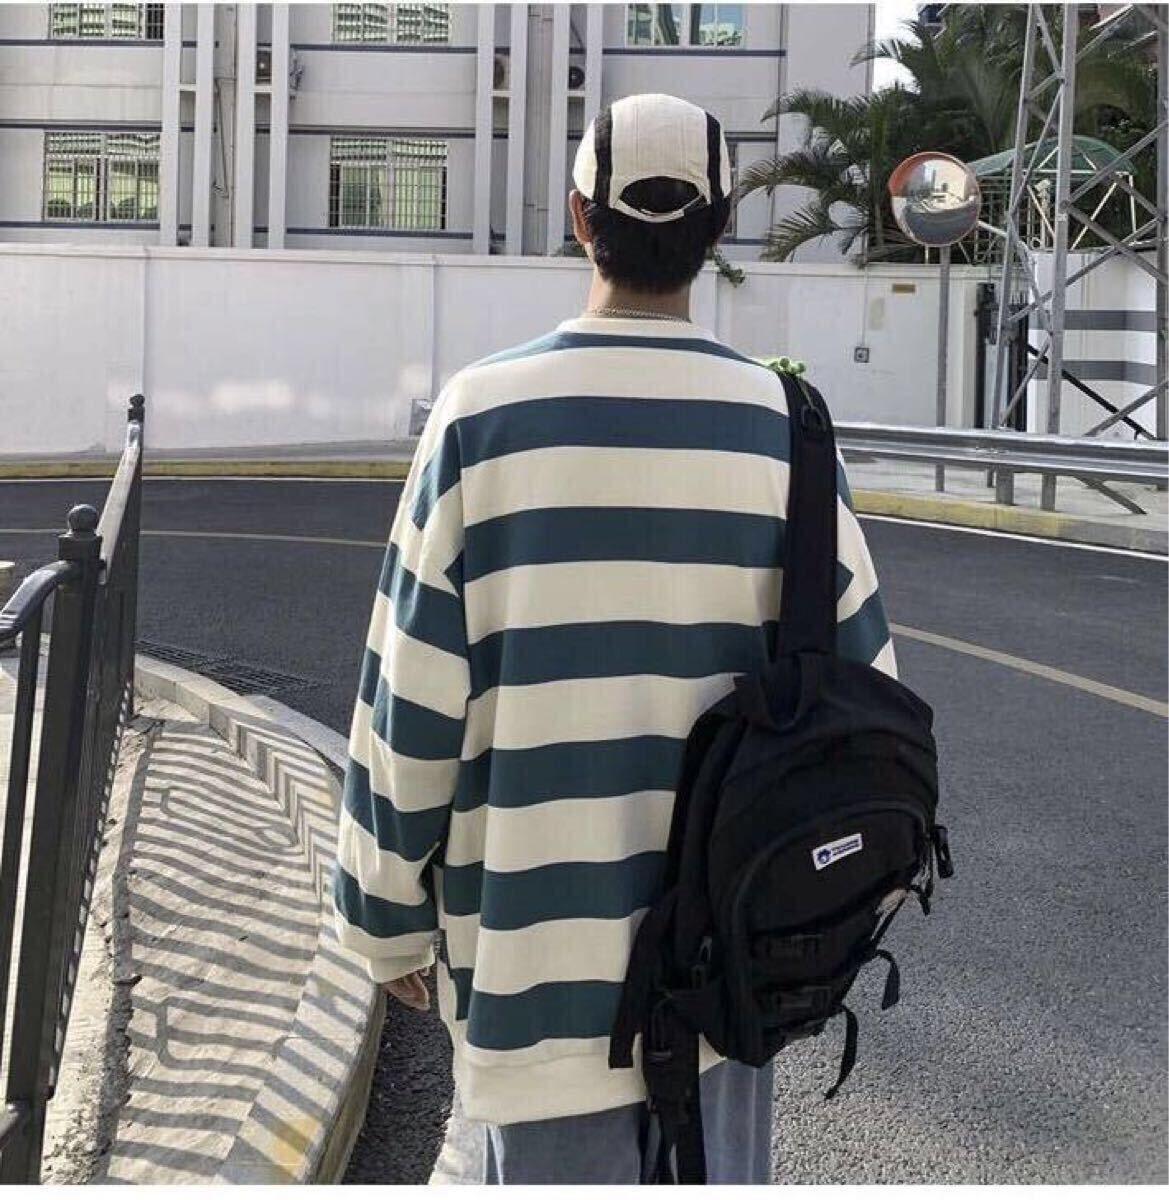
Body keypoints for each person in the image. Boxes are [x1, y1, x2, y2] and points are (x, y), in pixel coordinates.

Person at [332, 92, 897, 1185]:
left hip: (533, 985)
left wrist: (383, 918)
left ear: (579, 217)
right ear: (718, 229)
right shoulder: (787, 431)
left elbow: (410, 701)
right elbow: (866, 701)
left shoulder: (481, 420)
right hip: (731, 975)